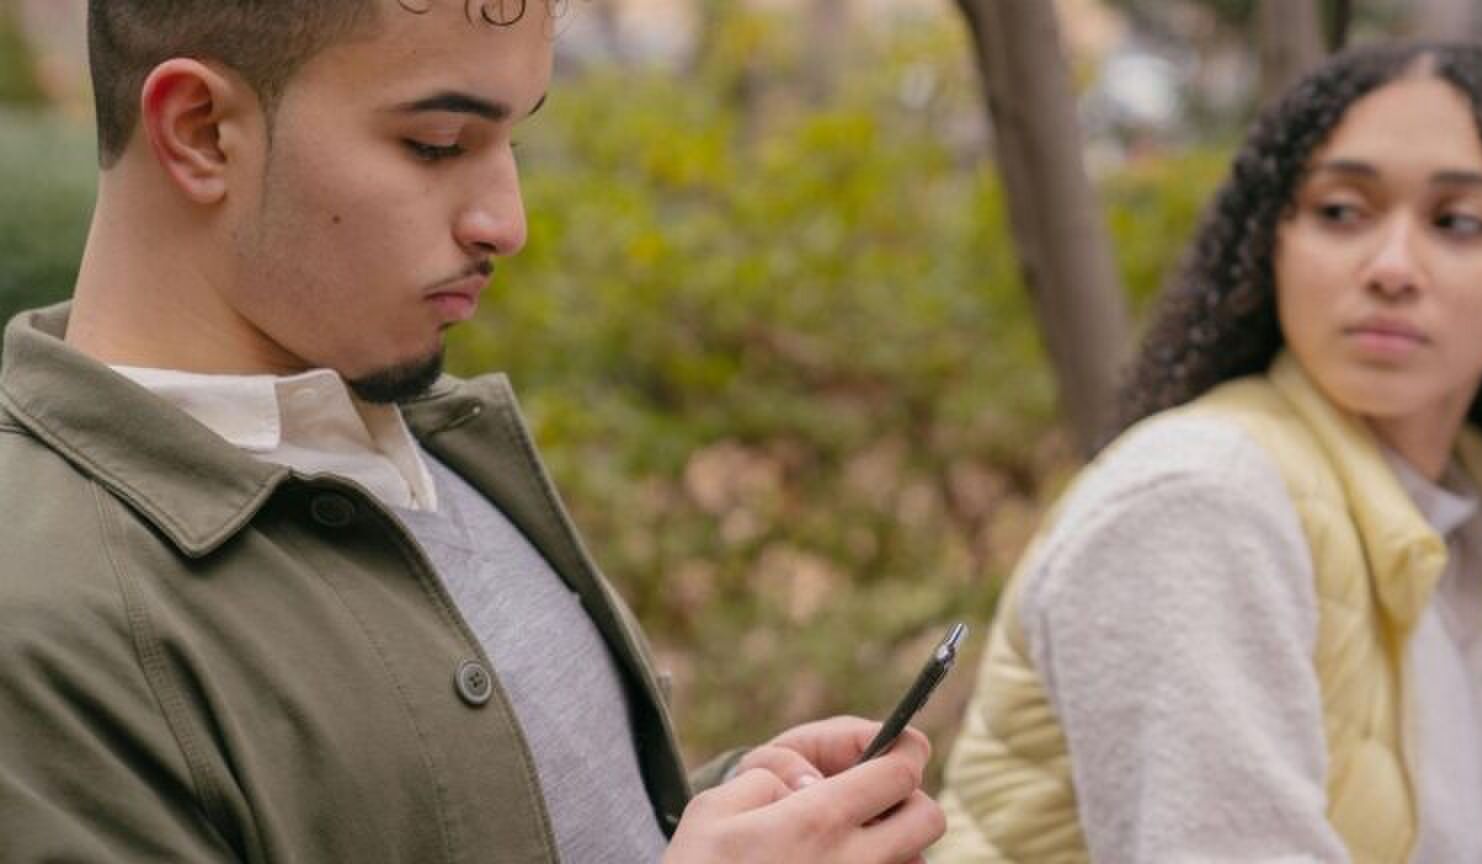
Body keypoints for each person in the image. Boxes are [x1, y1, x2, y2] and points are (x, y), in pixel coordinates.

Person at [0, 1, 946, 861]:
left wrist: (739, 817)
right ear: (202, 133)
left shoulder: (432, 444)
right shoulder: (42, 632)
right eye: (439, 143)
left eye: (512, 143)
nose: (509, 222)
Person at [935, 41, 1482, 863]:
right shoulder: (1200, 498)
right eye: (1340, 211)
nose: (1392, 267)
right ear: (1271, 242)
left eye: (1457, 222)